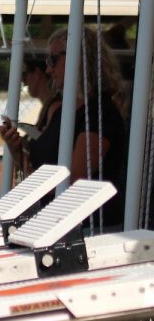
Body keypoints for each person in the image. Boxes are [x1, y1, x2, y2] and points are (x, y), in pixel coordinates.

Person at [39, 27, 128, 228]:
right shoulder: (65, 109)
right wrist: (17, 150)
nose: (48, 69)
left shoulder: (99, 112)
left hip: (87, 227)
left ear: (78, 59)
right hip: (57, 222)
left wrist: (33, 189)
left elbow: (74, 179)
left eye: (53, 60)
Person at [0, 53, 62, 183]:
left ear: (37, 73)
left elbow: (47, 151)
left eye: (24, 74)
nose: (23, 81)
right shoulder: (49, 107)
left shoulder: (55, 107)